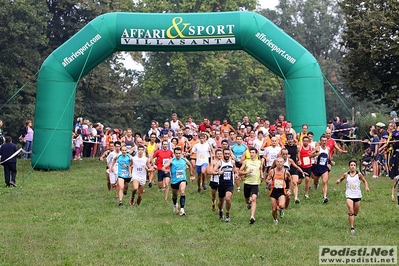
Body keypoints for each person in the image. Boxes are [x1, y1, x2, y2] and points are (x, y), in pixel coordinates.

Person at [336, 159, 369, 235]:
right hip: (349, 195)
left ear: (356, 167)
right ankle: (352, 227)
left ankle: (352, 217)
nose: (353, 167)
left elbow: (364, 181)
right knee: (351, 210)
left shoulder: (359, 174)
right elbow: (341, 179)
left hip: (357, 195)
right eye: (351, 165)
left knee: (355, 213)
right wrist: (338, 181)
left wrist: (366, 187)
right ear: (349, 166)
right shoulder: (346, 174)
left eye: (354, 165)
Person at [162, 146, 195, 216]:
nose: (178, 155)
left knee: (182, 192)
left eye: (179, 153)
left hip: (182, 179)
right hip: (174, 181)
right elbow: (164, 167)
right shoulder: (172, 161)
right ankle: (175, 205)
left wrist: (191, 174)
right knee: (175, 195)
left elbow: (190, 165)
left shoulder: (184, 160)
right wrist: (165, 170)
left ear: (181, 153)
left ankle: (182, 209)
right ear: (174, 154)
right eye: (176, 153)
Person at [239, 147, 262, 224]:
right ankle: (248, 203)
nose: (252, 154)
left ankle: (252, 216)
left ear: (256, 154)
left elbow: (261, 170)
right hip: (247, 183)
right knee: (247, 199)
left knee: (254, 198)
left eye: (253, 152)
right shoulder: (246, 162)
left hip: (255, 183)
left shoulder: (259, 162)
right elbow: (240, 172)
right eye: (250, 152)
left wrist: (262, 177)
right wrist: (247, 172)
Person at [266, 156, 291, 225]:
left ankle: (281, 210)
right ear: (275, 163)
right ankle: (275, 219)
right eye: (278, 162)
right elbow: (267, 179)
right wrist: (269, 182)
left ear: (283, 163)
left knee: (281, 205)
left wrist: (289, 190)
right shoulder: (272, 171)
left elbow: (290, 180)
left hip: (281, 191)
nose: (279, 163)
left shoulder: (286, 172)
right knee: (274, 209)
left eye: (281, 162)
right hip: (273, 191)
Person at [214, 148, 236, 222]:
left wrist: (236, 174)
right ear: (223, 154)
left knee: (228, 199)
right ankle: (220, 211)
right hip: (221, 184)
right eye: (225, 154)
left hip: (230, 184)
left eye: (228, 154)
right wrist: (218, 173)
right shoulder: (220, 162)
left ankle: (227, 214)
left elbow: (235, 169)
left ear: (230, 154)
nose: (227, 155)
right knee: (220, 201)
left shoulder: (232, 162)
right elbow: (213, 170)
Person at [311, 135, 332, 203]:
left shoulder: (328, 149)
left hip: (324, 168)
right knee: (315, 180)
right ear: (320, 141)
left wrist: (330, 163)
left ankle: (325, 197)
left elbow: (329, 158)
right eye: (323, 140)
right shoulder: (318, 148)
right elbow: (310, 156)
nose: (324, 142)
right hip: (317, 167)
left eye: (325, 141)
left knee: (324, 182)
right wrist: (316, 154)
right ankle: (316, 184)